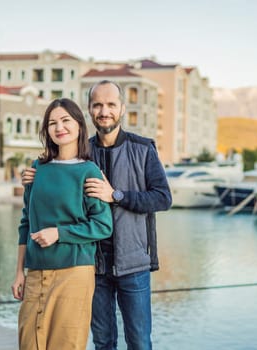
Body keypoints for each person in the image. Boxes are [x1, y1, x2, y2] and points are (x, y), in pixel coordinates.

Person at [22, 80, 172, 350]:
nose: (105, 111)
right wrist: (36, 174)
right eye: (98, 105)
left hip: (133, 263)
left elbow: (163, 198)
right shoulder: (82, 152)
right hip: (94, 266)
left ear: (122, 108)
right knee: (103, 342)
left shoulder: (143, 148)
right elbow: (57, 167)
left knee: (139, 342)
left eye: (111, 104)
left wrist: (117, 195)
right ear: (89, 111)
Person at [12, 98, 113, 350]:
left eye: (66, 120)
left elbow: (102, 225)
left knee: (66, 345)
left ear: (79, 125)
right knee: (29, 344)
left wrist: (59, 233)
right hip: (35, 272)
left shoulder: (88, 171)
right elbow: (26, 222)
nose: (59, 127)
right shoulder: (37, 169)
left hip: (74, 274)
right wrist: (19, 272)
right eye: (52, 123)